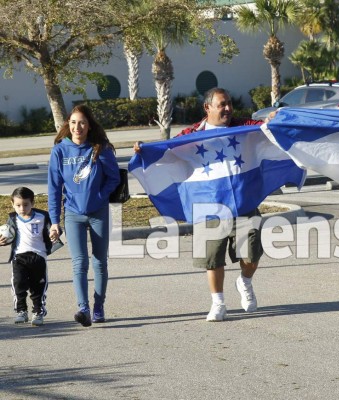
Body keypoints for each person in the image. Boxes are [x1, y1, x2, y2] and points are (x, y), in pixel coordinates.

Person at [134, 88, 264, 322]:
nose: (227, 108)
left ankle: (244, 282)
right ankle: (219, 303)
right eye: (222, 104)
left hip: (243, 204)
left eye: (229, 103)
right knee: (212, 258)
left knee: (251, 256)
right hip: (209, 207)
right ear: (208, 108)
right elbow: (167, 150)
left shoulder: (244, 126)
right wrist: (144, 150)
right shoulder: (192, 134)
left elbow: (266, 129)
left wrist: (273, 121)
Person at [48, 104, 120, 327]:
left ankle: (99, 306)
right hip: (72, 214)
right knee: (79, 263)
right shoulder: (60, 151)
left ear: (89, 126)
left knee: (99, 262)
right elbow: (54, 188)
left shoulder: (100, 148)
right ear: (67, 125)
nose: (77, 127)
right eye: (72, 123)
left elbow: (114, 178)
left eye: (81, 123)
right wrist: (54, 221)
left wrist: (101, 196)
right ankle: (84, 309)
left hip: (98, 213)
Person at [1, 187, 60, 326]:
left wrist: (54, 234)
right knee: (18, 284)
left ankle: (38, 312)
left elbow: (55, 230)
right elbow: (6, 235)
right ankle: (21, 311)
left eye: (26, 205)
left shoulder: (43, 217)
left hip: (38, 256)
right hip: (19, 257)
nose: (22, 208)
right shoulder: (12, 219)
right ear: (12, 204)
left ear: (32, 203)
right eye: (18, 205)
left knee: (37, 287)